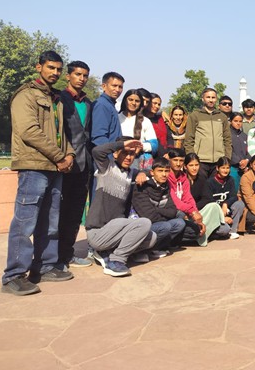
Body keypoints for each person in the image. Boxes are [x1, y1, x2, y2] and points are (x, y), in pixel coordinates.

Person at [2, 51, 76, 296]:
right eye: (50, 67)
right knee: (25, 223)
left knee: (50, 222)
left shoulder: (56, 99)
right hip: (33, 166)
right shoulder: (25, 95)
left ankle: (44, 266)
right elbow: (29, 130)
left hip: (54, 167)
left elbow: (61, 133)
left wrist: (69, 154)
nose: (55, 72)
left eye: (58, 69)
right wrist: (59, 156)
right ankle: (13, 275)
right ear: (39, 67)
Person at [85, 139, 156, 277]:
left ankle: (107, 252)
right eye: (124, 153)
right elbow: (96, 151)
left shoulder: (130, 173)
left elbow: (149, 172)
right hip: (98, 232)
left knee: (152, 237)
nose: (128, 157)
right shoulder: (106, 167)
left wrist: (143, 173)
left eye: (132, 154)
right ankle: (116, 260)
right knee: (144, 223)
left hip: (116, 231)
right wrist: (122, 144)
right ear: (115, 154)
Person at [58, 60, 94, 269]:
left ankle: (67, 253)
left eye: (85, 75)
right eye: (78, 74)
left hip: (84, 165)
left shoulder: (88, 103)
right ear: (68, 76)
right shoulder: (60, 99)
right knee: (59, 212)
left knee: (75, 212)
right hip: (65, 164)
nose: (81, 78)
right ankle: (54, 257)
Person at [131, 158, 186, 255]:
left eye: (166, 171)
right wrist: (163, 214)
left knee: (180, 222)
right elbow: (149, 216)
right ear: (152, 172)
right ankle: (140, 251)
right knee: (165, 226)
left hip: (157, 221)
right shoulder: (142, 186)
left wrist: (156, 210)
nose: (164, 174)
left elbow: (172, 211)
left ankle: (155, 248)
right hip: (141, 226)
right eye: (160, 171)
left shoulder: (165, 186)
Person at [184, 87, 232, 177]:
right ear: (203, 99)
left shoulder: (222, 117)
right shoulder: (195, 115)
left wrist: (227, 157)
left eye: (213, 97)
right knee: (201, 185)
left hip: (219, 160)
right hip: (200, 160)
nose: (211, 100)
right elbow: (189, 139)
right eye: (208, 97)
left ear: (216, 99)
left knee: (215, 185)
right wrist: (192, 158)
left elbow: (227, 139)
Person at [184, 153, 231, 244]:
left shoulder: (202, 179)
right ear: (185, 167)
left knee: (225, 229)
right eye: (191, 165)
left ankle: (202, 233)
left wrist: (195, 210)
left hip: (200, 212)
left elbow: (207, 199)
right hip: (186, 213)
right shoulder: (182, 180)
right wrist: (191, 212)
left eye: (196, 165)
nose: (194, 168)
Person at [166, 148, 208, 244]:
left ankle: (176, 239)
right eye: (175, 160)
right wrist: (192, 212)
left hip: (183, 211)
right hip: (170, 211)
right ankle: (169, 242)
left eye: (181, 160)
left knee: (196, 231)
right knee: (181, 215)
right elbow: (174, 200)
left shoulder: (183, 177)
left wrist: (196, 214)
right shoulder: (166, 176)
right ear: (169, 160)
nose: (178, 164)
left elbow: (188, 198)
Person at [118, 89, 158, 170]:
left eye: (137, 101)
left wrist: (139, 146)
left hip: (138, 161)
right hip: (118, 159)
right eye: (130, 100)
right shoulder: (116, 118)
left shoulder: (145, 121)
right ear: (125, 100)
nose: (133, 103)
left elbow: (154, 145)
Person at [208, 157, 242, 239]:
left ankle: (232, 231)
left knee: (239, 204)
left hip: (226, 209)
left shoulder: (230, 180)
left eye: (227, 168)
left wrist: (225, 204)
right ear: (217, 168)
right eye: (223, 168)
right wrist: (222, 217)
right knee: (224, 230)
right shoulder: (210, 182)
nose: (225, 170)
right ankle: (215, 232)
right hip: (215, 213)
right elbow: (209, 202)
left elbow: (233, 196)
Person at [91, 71, 125, 147]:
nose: (117, 90)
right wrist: (109, 153)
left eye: (120, 87)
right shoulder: (101, 105)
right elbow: (99, 137)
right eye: (114, 86)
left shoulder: (110, 105)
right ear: (104, 86)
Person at [229, 111, 250, 190]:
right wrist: (239, 161)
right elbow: (228, 151)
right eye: (235, 121)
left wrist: (246, 160)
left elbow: (249, 151)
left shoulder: (244, 136)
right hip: (233, 167)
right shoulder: (227, 135)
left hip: (245, 168)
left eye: (240, 121)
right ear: (231, 121)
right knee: (234, 190)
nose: (238, 123)